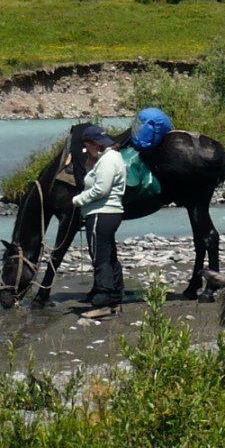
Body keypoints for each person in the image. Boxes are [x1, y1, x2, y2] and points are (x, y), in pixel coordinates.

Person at [71, 123, 127, 314]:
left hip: (101, 213)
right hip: (110, 213)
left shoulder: (107, 160)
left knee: (100, 257)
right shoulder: (112, 157)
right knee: (110, 255)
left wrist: (78, 200)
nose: (87, 151)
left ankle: (103, 299)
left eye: (87, 147)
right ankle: (116, 295)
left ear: (95, 144)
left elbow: (101, 189)